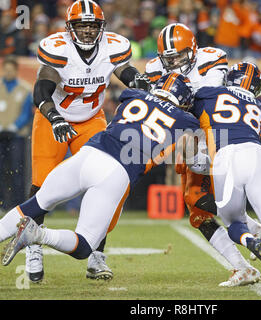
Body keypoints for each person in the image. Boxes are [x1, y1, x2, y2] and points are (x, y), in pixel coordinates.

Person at [0, 73, 198, 273]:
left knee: (34, 205)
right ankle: (38, 235)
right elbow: (194, 161)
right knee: (84, 245)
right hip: (115, 172)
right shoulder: (186, 120)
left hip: (87, 155)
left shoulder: (133, 95)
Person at [27, 0, 149, 283]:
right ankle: (33, 248)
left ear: (101, 27)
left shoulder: (112, 47)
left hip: (91, 120)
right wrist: (54, 117)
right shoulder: (58, 48)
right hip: (53, 119)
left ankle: (96, 254)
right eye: (81, 25)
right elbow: (42, 87)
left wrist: (141, 82)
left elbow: (124, 71)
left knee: (106, 183)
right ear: (70, 28)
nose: (87, 31)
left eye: (92, 25)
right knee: (41, 186)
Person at [145, 23, 261, 287]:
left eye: (179, 56)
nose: (174, 63)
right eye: (169, 59)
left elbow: (201, 101)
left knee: (209, 197)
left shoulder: (212, 59)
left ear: (194, 50)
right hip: (187, 135)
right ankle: (245, 259)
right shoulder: (154, 68)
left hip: (214, 133)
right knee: (197, 208)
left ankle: (253, 235)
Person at [191, 62, 261, 291]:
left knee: (234, 222)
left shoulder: (208, 93)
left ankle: (250, 241)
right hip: (255, 154)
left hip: (224, 157)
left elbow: (191, 115)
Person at [0, 55, 33, 212]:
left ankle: (17, 204)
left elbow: (26, 112)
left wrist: (14, 126)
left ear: (16, 70)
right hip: (0, 135)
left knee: (17, 170)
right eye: (6, 70)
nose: (8, 72)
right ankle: (2, 202)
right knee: (1, 170)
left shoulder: (25, 88)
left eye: (11, 70)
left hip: (17, 136)